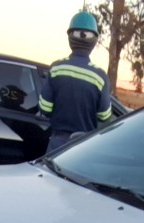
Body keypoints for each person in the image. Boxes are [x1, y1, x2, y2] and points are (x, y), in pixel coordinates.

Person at [40, 11, 113, 153]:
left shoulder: (56, 68)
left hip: (56, 144)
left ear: (70, 37)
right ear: (94, 40)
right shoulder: (100, 76)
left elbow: (44, 108)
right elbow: (105, 116)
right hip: (83, 149)